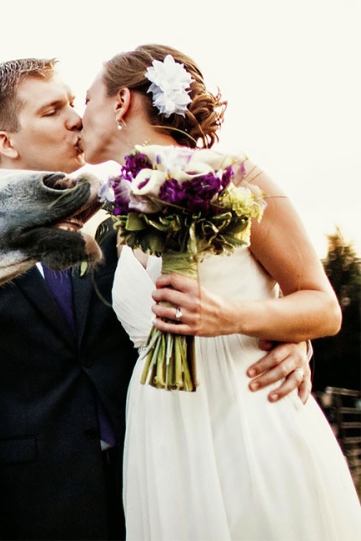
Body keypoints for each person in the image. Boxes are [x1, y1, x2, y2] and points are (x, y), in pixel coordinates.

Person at [0, 58, 313, 540]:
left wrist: (292, 338)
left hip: (158, 480)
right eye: (52, 110)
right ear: (6, 142)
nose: (75, 119)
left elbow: (226, 287)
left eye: (73, 104)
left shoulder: (133, 214)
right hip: (41, 509)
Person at [78, 43, 361, 539]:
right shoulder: (119, 217)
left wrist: (234, 317)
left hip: (247, 410)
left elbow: (322, 305)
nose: (79, 120)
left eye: (86, 101)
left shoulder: (238, 177)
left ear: (121, 101)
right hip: (161, 429)